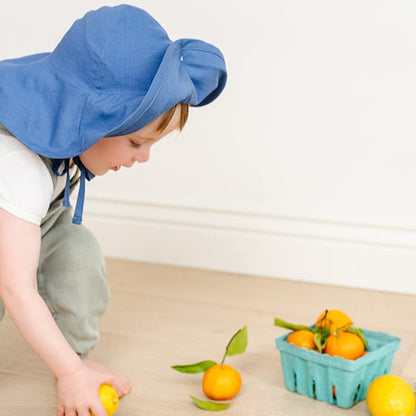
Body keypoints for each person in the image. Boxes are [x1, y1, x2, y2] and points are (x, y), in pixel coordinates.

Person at [0, 4, 226, 416]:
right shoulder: (20, 168)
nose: (144, 158)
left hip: (24, 224)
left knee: (76, 254)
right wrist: (67, 376)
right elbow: (15, 285)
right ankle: (69, 370)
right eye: (137, 143)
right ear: (88, 120)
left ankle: (73, 358)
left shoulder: (67, 135)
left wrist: (72, 367)